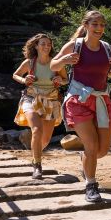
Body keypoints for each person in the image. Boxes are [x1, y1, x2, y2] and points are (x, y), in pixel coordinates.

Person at [51, 10, 111, 202]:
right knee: (91, 144)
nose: (99, 28)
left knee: (102, 150)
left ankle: (84, 157)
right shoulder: (75, 45)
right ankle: (91, 186)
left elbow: (109, 75)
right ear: (86, 26)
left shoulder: (107, 48)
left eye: (102, 25)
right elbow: (53, 65)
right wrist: (64, 61)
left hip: (101, 100)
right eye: (95, 24)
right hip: (78, 100)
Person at [13, 34, 68, 179]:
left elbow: (66, 79)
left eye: (49, 44)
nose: (46, 46)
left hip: (51, 99)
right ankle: (37, 166)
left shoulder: (56, 63)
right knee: (37, 129)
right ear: (36, 46)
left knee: (45, 140)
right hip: (31, 98)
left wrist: (59, 80)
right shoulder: (30, 63)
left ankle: (34, 153)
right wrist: (24, 79)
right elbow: (15, 75)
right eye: (43, 44)